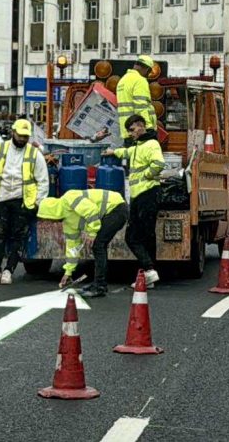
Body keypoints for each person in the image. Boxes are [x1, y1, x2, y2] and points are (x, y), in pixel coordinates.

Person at [0, 119, 49, 285]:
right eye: (20, 135)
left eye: (26, 136)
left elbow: (43, 180)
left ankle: (9, 270)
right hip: (1, 199)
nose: (23, 139)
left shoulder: (34, 154)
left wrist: (37, 203)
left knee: (18, 236)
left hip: (22, 201)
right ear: (13, 132)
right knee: (0, 233)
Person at [102, 115, 164, 288]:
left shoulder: (151, 144)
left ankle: (149, 269)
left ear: (141, 126)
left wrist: (146, 175)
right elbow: (126, 152)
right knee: (147, 236)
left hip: (148, 194)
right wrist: (113, 152)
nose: (130, 134)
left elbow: (159, 164)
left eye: (132, 130)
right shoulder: (138, 146)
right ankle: (149, 275)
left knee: (133, 237)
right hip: (139, 196)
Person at [37, 189, 128, 298]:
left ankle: (100, 286)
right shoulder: (68, 223)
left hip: (116, 207)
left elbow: (91, 210)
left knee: (98, 245)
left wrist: (92, 232)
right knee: (98, 246)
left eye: (47, 219)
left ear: (51, 212)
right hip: (109, 213)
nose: (49, 223)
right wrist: (68, 272)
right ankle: (98, 284)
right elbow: (73, 247)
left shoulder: (69, 198)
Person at [99, 55, 157, 146]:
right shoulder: (139, 80)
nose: (147, 75)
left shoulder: (123, 80)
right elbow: (141, 107)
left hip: (127, 131)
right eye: (148, 72)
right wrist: (148, 128)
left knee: (131, 158)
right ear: (146, 69)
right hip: (139, 132)